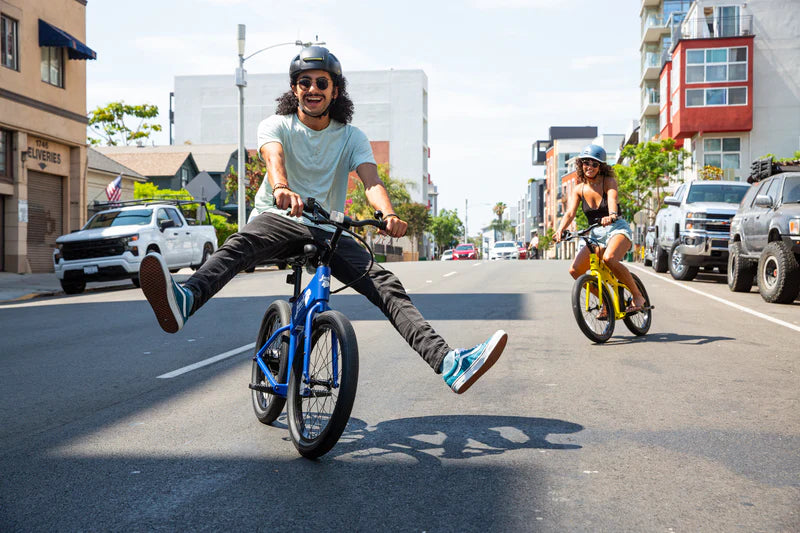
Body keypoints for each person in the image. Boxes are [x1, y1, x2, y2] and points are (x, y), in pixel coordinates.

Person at [138, 46, 507, 394]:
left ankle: (447, 362)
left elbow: (371, 182)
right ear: (294, 89)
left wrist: (389, 214)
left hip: (328, 228)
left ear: (335, 91)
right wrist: (282, 188)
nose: (312, 89)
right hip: (279, 217)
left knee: (385, 284)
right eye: (304, 82)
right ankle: (185, 299)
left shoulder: (350, 137)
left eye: (321, 83)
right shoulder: (276, 125)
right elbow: (273, 157)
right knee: (241, 245)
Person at [554, 144, 647, 313]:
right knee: (575, 270)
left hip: (616, 229)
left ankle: (637, 295)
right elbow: (570, 213)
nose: (590, 167)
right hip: (596, 234)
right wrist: (560, 230)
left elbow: (612, 198)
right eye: (586, 162)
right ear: (581, 164)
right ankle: (606, 303)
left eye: (595, 164)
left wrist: (611, 215)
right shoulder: (579, 189)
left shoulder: (608, 182)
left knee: (610, 259)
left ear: (601, 166)